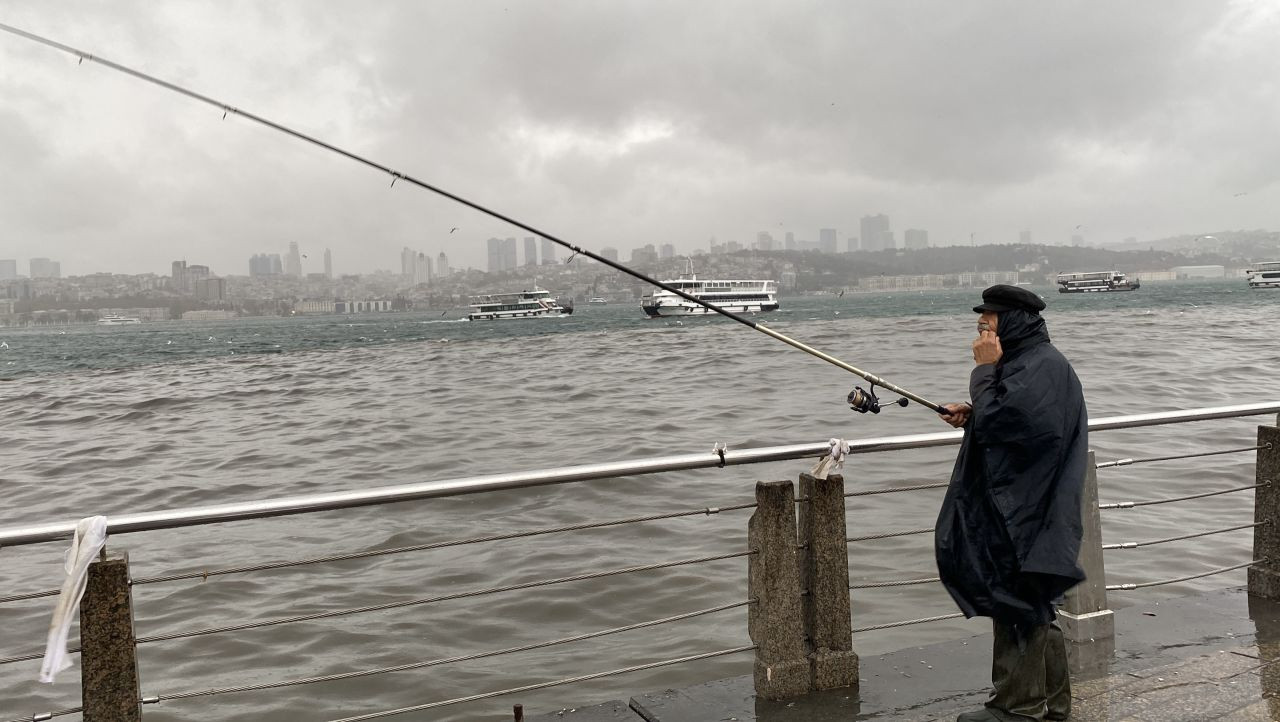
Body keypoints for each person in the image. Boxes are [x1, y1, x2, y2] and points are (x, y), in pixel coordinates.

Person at [935, 284, 1089, 722]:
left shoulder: (1040, 365)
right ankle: (1053, 705)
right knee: (1035, 601)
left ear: (1015, 319)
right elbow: (1012, 418)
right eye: (981, 314)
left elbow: (1010, 424)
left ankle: (1015, 709)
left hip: (1028, 511)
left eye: (991, 315)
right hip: (1028, 505)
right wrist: (974, 410)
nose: (982, 322)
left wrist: (983, 373)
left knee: (1020, 600)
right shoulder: (1028, 362)